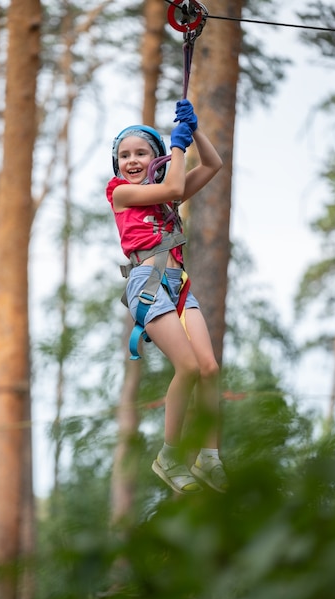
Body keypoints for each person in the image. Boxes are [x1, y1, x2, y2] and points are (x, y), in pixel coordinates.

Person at [106, 99, 227, 494]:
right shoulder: (121, 193)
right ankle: (169, 456)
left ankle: (209, 457)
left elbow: (211, 167)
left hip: (178, 283)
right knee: (188, 367)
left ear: (155, 159)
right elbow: (175, 182)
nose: (132, 160)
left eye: (141, 153)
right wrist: (177, 148)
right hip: (147, 282)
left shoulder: (165, 199)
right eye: (125, 155)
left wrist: (192, 133)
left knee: (208, 367)